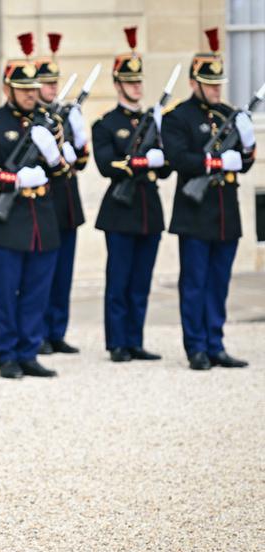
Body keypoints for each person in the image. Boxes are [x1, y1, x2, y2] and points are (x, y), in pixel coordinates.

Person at [0, 33, 64, 379]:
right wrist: (14, 180)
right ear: (8, 88)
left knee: (38, 291)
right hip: (7, 221)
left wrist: (54, 156)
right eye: (23, 89)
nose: (30, 95)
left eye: (34, 89)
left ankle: (29, 351)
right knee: (7, 293)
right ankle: (6, 355)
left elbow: (62, 172)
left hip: (43, 219)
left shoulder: (49, 122)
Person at [162, 28, 255, 370]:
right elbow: (178, 158)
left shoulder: (229, 115)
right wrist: (216, 161)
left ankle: (215, 343)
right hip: (195, 212)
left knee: (219, 284)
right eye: (210, 83)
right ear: (194, 83)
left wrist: (247, 146)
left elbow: (243, 164)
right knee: (195, 283)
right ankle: (196, 347)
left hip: (225, 213)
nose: (217, 89)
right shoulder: (177, 118)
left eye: (219, 83)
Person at [91, 26, 171, 363]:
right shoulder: (106, 124)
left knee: (141, 282)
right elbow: (107, 165)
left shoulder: (154, 121)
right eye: (130, 81)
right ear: (118, 84)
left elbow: (167, 168)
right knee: (119, 281)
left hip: (148, 208)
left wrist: (159, 157)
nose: (137, 86)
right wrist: (141, 160)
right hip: (120, 209)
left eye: (139, 81)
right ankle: (117, 342)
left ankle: (135, 339)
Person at [36, 33, 89, 355]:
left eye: (55, 83)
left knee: (64, 274)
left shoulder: (64, 115)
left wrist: (78, 139)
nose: (52, 88)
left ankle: (57, 331)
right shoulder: (36, 121)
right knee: (44, 275)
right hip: (46, 206)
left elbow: (80, 163)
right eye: (47, 83)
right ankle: (39, 332)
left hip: (68, 205)